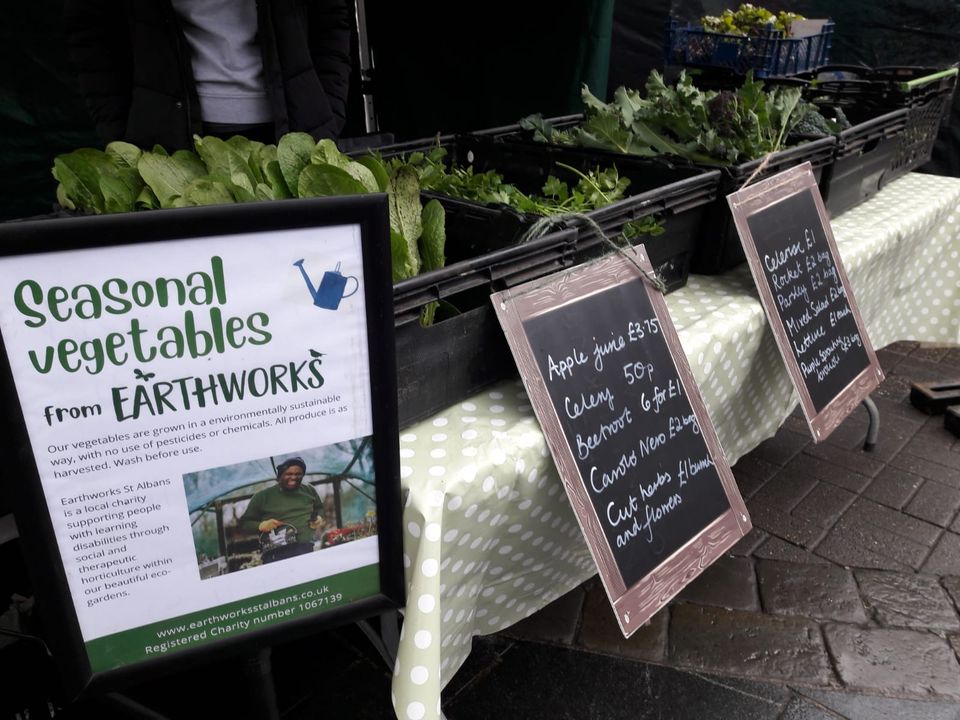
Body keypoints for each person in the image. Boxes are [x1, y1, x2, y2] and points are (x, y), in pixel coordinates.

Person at [63, 0, 353, 150]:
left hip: (292, 131)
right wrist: (120, 134)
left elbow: (330, 19)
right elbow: (93, 32)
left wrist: (327, 112)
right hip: (166, 141)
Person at [240, 457, 324, 563]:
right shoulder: (262, 497)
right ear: (280, 475)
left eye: (298, 474)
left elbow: (319, 508)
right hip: (275, 553)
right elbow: (244, 524)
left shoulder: (309, 490)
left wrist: (319, 518)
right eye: (289, 474)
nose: (293, 477)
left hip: (305, 548)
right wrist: (261, 525)